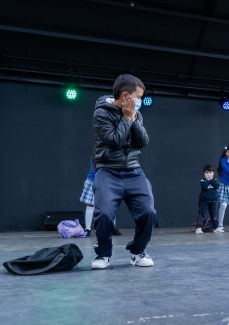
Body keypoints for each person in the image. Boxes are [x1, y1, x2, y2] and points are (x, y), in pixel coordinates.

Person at [91, 74, 156, 269]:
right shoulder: (101, 113)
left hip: (134, 171)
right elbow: (115, 141)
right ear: (126, 95)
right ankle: (103, 254)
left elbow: (143, 141)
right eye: (139, 97)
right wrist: (127, 118)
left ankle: (138, 252)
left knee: (148, 212)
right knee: (103, 214)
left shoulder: (136, 113)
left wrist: (133, 118)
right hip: (108, 172)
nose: (141, 101)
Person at [79, 150, 122, 236]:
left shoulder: (112, 156)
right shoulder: (95, 156)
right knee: (90, 205)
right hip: (93, 181)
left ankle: (112, 227)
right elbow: (98, 171)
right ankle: (87, 229)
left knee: (111, 205)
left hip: (107, 182)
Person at [196, 165, 223, 234]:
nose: (209, 174)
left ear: (213, 173)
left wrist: (211, 180)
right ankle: (199, 227)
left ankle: (216, 227)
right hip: (204, 200)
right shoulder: (202, 181)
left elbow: (217, 186)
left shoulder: (215, 180)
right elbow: (204, 186)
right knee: (202, 214)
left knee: (213, 214)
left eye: (210, 172)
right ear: (204, 173)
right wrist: (208, 180)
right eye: (207, 172)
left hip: (213, 200)